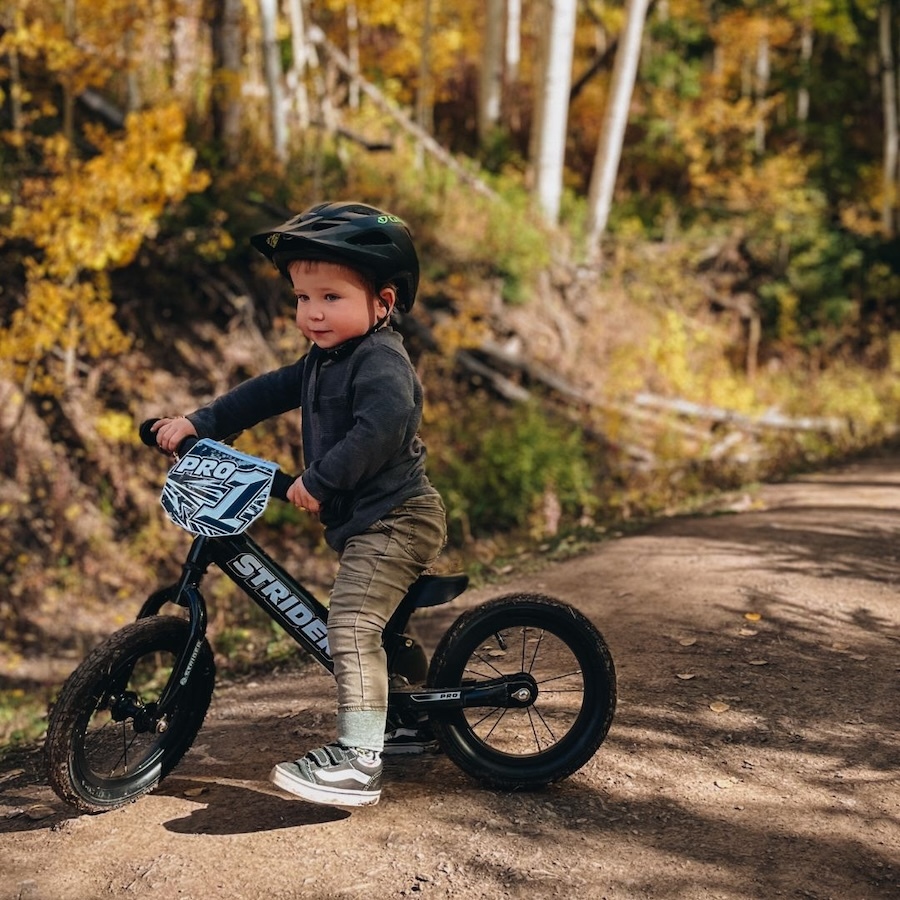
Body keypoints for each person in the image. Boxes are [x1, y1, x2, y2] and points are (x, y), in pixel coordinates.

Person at [151, 201, 447, 808]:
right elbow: (263, 394)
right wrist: (199, 423)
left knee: (351, 622)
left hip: (398, 517)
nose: (312, 312)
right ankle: (409, 719)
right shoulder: (322, 360)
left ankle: (359, 762)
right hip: (367, 521)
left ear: (383, 303)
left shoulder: (381, 362)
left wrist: (321, 479)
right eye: (301, 297)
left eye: (331, 297)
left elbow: (383, 427)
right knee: (375, 626)